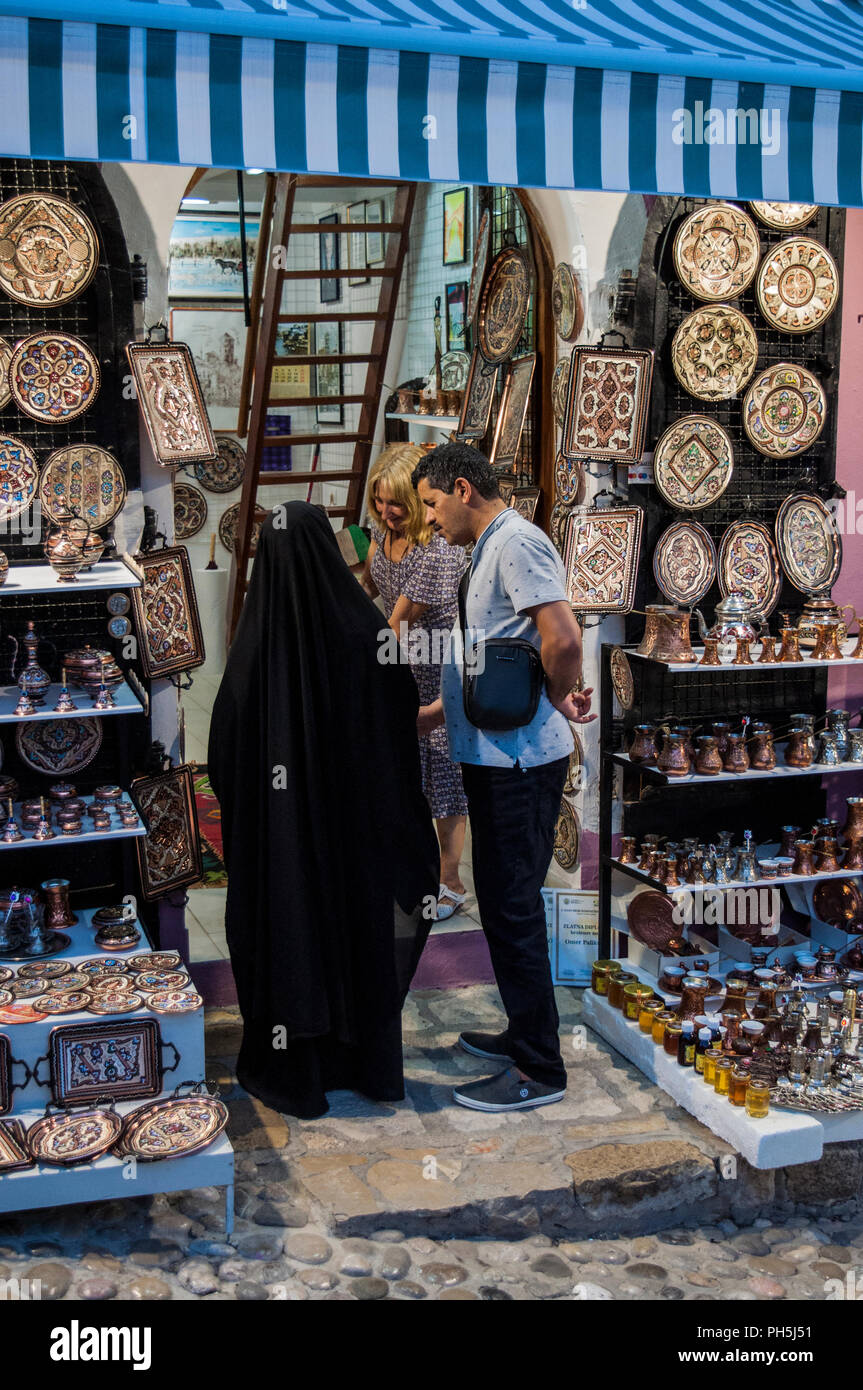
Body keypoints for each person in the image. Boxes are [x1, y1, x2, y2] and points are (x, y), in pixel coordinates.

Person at [208, 502, 439, 1119]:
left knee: (292, 930)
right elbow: (397, 714)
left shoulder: (254, 652)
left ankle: (296, 1065)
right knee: (355, 931)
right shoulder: (366, 636)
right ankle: (362, 1061)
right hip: (356, 845)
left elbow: (225, 750)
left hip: (283, 849)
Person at [411, 442, 595, 1114]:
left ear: (461, 488)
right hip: (495, 758)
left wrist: (556, 696)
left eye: (431, 504)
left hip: (518, 762)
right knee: (501, 900)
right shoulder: (488, 545)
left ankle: (539, 1068)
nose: (429, 520)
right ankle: (523, 1032)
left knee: (513, 907)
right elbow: (492, 660)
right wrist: (430, 719)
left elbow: (564, 639)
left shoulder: (516, 542)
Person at [362, 444, 470, 921]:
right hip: (406, 672)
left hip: (438, 672)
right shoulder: (383, 534)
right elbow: (368, 588)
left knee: (446, 784)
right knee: (412, 778)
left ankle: (451, 883)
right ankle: (414, 869)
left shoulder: (437, 548)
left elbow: (398, 623)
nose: (387, 513)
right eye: (379, 501)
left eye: (397, 503)